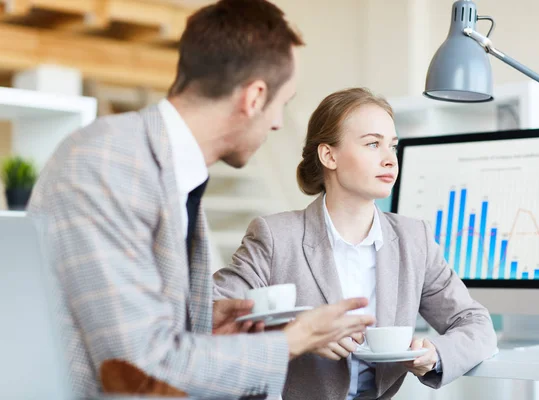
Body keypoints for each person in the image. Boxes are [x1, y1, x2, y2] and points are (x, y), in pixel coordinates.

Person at [26, 1, 375, 399]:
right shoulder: (108, 163)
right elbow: (140, 364)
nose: (278, 122)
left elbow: (125, 324)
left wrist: (200, 325)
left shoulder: (169, 169)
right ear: (254, 97)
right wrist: (294, 340)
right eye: (283, 103)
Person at [213, 87, 498, 399]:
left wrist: (435, 353)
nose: (390, 160)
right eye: (373, 144)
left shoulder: (414, 239)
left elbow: (476, 324)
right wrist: (296, 334)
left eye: (393, 146)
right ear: (329, 155)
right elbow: (207, 314)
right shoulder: (276, 236)